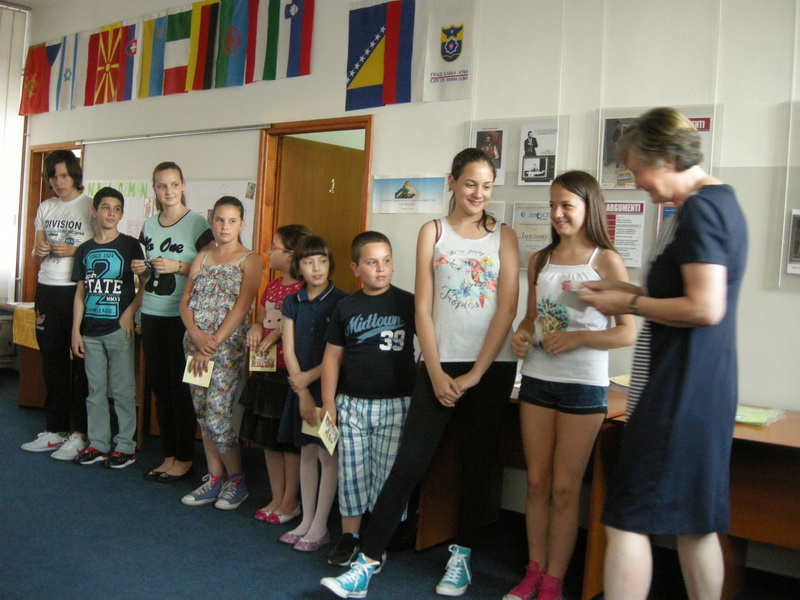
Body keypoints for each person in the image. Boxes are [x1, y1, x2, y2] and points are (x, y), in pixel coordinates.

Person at [322, 147, 519, 598]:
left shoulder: (504, 236)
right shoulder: (432, 231)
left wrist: (476, 374)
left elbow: (507, 308)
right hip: (438, 362)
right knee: (408, 464)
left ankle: (461, 557)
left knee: (477, 464)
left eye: (487, 186)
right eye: (470, 183)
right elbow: (423, 307)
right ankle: (366, 563)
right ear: (452, 182)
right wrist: (434, 368)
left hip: (492, 366)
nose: (479, 193)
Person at [580, 107, 748, 600]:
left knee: (627, 519)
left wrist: (628, 304)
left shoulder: (701, 210)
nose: (636, 183)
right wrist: (625, 290)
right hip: (700, 390)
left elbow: (705, 307)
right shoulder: (720, 202)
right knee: (695, 524)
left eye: (638, 170)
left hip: (679, 392)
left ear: (669, 159)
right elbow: (687, 293)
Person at [503, 172, 635, 600]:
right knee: (536, 482)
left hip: (583, 386)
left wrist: (579, 339)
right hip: (537, 380)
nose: (557, 214)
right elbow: (531, 318)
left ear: (588, 208)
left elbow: (627, 331)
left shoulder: (605, 260)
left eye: (567, 206)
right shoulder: (540, 259)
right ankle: (533, 570)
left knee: (564, 488)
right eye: (552, 206)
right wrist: (522, 336)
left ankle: (554, 581)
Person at [321, 231, 416, 566]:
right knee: (352, 472)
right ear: (355, 268)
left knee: (386, 474)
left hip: (396, 403)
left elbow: (431, 345)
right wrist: (329, 402)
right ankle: (350, 536)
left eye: (386, 261)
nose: (381, 268)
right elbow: (332, 357)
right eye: (372, 262)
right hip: (352, 404)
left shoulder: (407, 303)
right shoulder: (346, 307)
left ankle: (378, 539)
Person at [132, 162, 214, 483]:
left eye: (174, 185)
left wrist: (178, 266)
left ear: (183, 186)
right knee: (160, 388)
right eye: (162, 186)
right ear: (154, 188)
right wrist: (142, 270)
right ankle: (168, 456)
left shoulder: (197, 224)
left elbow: (211, 268)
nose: (169, 191)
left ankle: (184, 458)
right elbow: (148, 276)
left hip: (183, 316)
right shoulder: (149, 225)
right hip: (152, 312)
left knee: (182, 390)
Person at [179, 197, 262, 510]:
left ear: (241, 224)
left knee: (217, 416)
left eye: (232, 221)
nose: (225, 226)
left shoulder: (250, 259)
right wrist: (196, 335)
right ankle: (215, 478)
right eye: (219, 220)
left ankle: (236, 479)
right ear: (212, 222)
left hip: (225, 348)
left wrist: (212, 341)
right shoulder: (202, 257)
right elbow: (185, 301)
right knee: (202, 414)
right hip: (195, 345)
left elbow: (243, 306)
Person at [276, 235, 348, 551]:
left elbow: (340, 354)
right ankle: (306, 520)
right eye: (308, 261)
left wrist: (309, 379)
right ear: (299, 266)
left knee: (326, 454)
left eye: (322, 260)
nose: (316, 268)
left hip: (329, 387)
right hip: (300, 388)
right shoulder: (292, 301)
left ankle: (321, 525)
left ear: (330, 263)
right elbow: (288, 349)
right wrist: (302, 390)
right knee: (306, 450)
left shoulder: (342, 301)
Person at [22, 150, 94, 460]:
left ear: (74, 175)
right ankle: (56, 429)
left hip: (76, 291)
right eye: (53, 176)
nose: (59, 182)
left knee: (81, 364)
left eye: (64, 175)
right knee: (52, 361)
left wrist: (74, 250)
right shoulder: (45, 207)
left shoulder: (90, 206)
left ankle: (80, 432)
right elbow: (35, 254)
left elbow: (99, 248)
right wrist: (38, 252)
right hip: (47, 289)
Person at [239, 224, 312, 524]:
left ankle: (290, 500)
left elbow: (297, 323)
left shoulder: (305, 288)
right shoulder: (272, 286)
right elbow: (261, 317)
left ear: (291, 254)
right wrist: (257, 328)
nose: (268, 252)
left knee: (288, 442)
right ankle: (276, 496)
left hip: (289, 373)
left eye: (274, 247)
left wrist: (277, 334)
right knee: (266, 439)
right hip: (265, 371)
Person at [71, 187, 146, 469]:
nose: (111, 213)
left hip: (119, 329)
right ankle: (99, 443)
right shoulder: (85, 250)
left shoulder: (129, 245)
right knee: (95, 391)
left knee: (124, 390)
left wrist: (130, 313)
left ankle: (125, 446)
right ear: (95, 211)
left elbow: (145, 285)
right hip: (90, 331)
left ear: (122, 214)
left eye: (116, 209)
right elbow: (80, 293)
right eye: (105, 207)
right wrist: (75, 330)